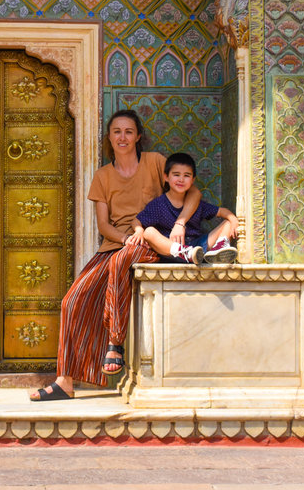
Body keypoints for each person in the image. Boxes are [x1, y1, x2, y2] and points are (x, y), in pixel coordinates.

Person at [30, 110, 201, 401]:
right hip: (115, 246)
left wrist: (180, 223)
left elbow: (193, 193)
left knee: (123, 260)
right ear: (109, 138)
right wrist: (124, 238)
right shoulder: (103, 176)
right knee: (72, 300)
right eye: (117, 132)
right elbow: (104, 225)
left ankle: (115, 342)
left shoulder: (155, 162)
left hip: (150, 242)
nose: (123, 137)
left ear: (138, 137)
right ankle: (65, 382)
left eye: (129, 131)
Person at [129, 152, 238, 265]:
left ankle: (217, 252)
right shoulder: (159, 204)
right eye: (176, 175)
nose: (181, 179)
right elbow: (136, 221)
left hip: (197, 249)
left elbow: (222, 211)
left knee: (228, 223)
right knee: (148, 232)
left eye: (186, 176)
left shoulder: (196, 204)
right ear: (166, 177)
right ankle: (185, 252)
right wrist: (139, 231)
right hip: (171, 251)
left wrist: (234, 220)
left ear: (193, 180)